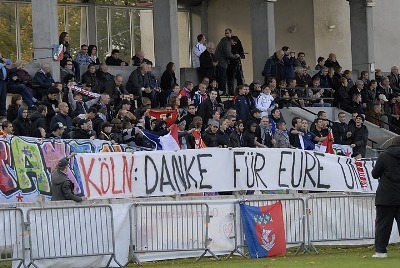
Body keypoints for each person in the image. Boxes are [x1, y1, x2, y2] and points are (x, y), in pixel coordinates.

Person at [371, 136, 400, 258]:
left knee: (383, 226)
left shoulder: (384, 156)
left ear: (392, 143)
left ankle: (381, 251)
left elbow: (374, 174)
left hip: (386, 196)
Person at [214, 29, 240, 95]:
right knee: (223, 78)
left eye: (227, 33)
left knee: (223, 78)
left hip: (220, 62)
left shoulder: (223, 41)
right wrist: (235, 56)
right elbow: (228, 53)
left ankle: (222, 91)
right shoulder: (227, 42)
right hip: (222, 63)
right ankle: (222, 92)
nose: (226, 34)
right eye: (234, 43)